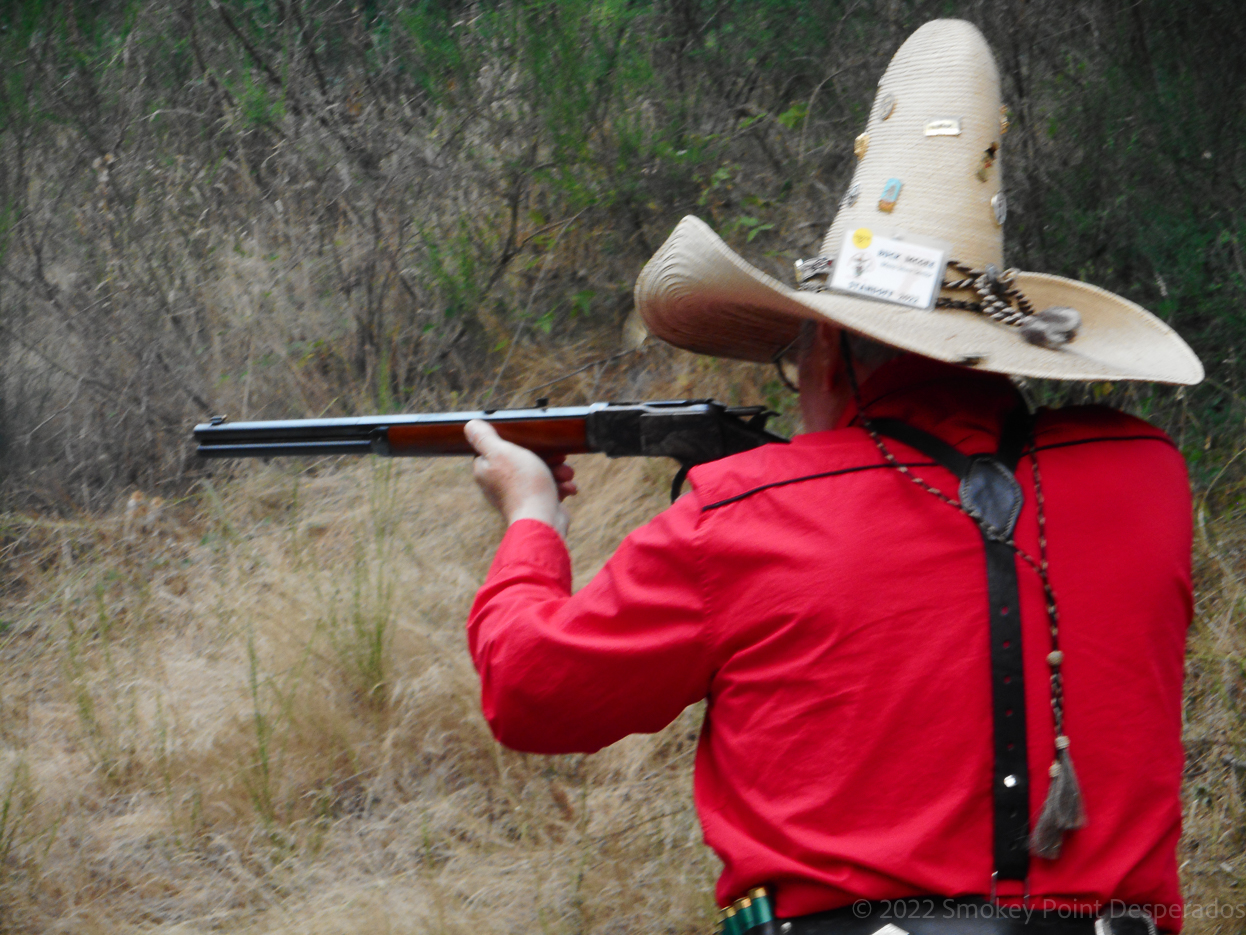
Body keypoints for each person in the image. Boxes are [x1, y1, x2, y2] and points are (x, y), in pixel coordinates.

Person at [465, 20, 1201, 935]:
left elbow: (529, 692)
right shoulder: (1149, 474)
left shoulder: (741, 515)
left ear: (825, 351)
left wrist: (531, 518)